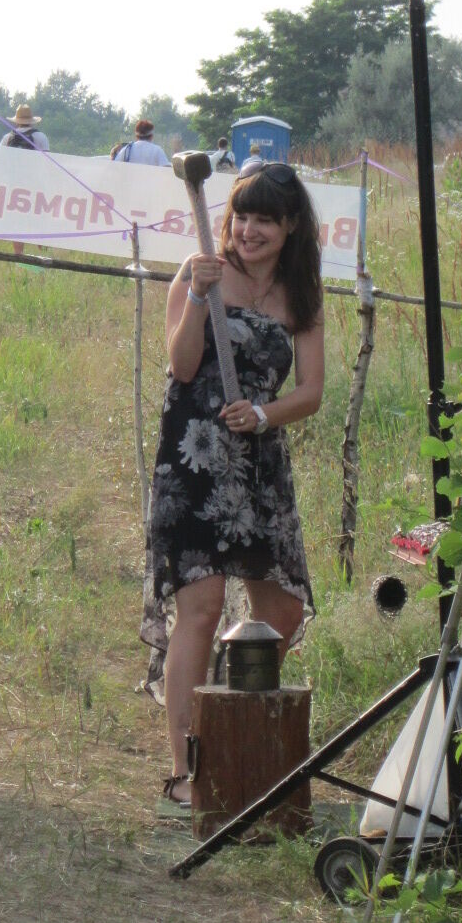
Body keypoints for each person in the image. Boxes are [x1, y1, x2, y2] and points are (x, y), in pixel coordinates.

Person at [142, 162, 325, 809]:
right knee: (202, 607)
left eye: (265, 220)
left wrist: (265, 414)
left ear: (290, 226)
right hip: (194, 456)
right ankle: (186, 771)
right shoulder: (201, 274)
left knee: (281, 611)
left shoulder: (301, 293)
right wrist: (197, 297)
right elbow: (182, 363)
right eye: (242, 216)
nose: (249, 230)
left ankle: (234, 724)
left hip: (258, 462)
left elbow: (311, 391)